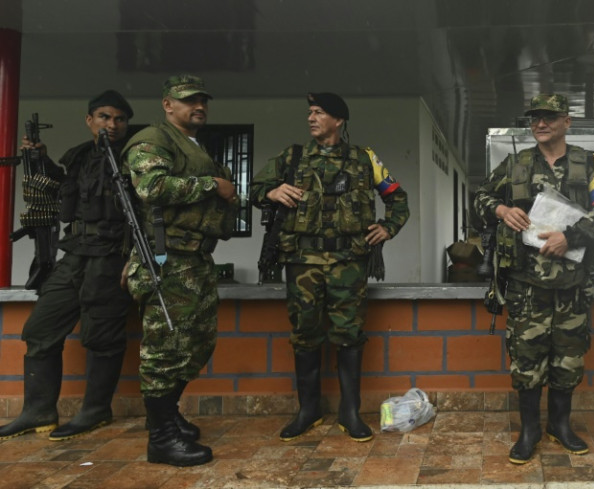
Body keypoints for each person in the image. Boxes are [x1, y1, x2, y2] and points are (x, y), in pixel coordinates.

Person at [251, 92, 409, 443]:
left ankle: (349, 412)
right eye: (309, 112)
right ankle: (308, 410)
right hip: (302, 262)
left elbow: (397, 197)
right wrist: (273, 192)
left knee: (349, 335)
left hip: (348, 262)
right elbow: (255, 188)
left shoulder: (364, 160)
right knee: (305, 334)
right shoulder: (292, 157)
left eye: (319, 112)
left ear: (338, 120)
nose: (311, 118)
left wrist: (388, 228)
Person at [474, 93, 594, 464]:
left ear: (566, 122)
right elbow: (480, 199)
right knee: (526, 361)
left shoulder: (589, 163)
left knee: (568, 358)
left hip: (573, 284)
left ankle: (560, 426)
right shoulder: (515, 164)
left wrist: (569, 238)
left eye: (549, 118)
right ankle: (529, 432)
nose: (540, 124)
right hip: (526, 285)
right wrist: (502, 209)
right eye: (535, 118)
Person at [0, 90, 135, 441]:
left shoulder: (136, 156)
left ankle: (95, 410)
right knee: (40, 329)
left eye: (120, 119)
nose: (112, 124)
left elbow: (148, 211)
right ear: (89, 120)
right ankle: (38, 411)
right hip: (74, 253)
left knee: (102, 336)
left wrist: (136, 259)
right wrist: (42, 162)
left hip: (110, 256)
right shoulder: (78, 156)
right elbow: (66, 191)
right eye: (104, 117)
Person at [121, 74, 239, 467]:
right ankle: (162, 438)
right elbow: (151, 188)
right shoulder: (152, 140)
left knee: (195, 343)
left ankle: (169, 416)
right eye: (188, 100)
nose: (198, 106)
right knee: (164, 350)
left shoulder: (189, 144)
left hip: (194, 259)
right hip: (167, 259)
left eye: (202, 100)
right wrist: (212, 185)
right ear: (167, 104)